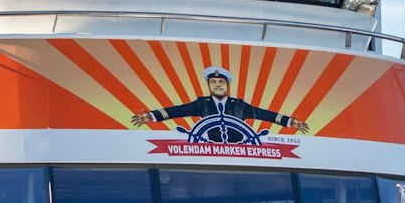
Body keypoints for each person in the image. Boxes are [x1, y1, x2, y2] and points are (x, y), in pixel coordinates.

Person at [132, 66, 310, 136]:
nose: (217, 85)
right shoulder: (202, 104)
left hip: (239, 151)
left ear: (227, 85)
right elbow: (178, 111)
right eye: (213, 82)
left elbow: (264, 114)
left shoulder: (239, 105)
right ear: (209, 85)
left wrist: (289, 122)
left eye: (221, 82)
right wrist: (152, 116)